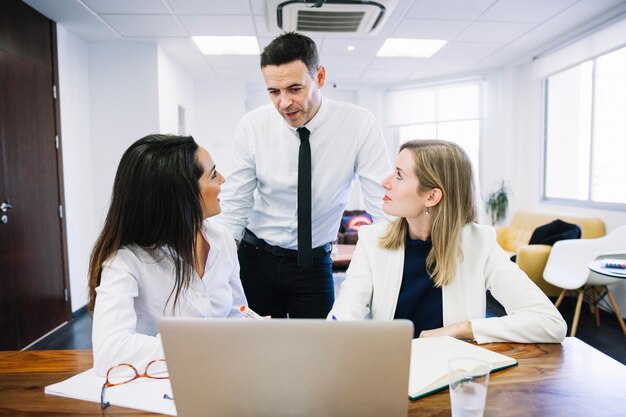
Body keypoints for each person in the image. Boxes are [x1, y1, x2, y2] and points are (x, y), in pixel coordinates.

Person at [215, 32, 391, 319]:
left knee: (317, 355)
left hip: (314, 263)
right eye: (274, 92)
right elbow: (234, 207)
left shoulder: (358, 124)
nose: (284, 103)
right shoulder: (252, 126)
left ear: (319, 77)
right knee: (255, 355)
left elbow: (384, 207)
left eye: (294, 88)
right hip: (256, 260)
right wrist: (213, 271)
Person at [329, 139, 567, 343]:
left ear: (432, 196)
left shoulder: (479, 243)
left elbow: (550, 322)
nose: (386, 182)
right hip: (390, 370)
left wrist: (463, 329)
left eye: (399, 175)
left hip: (453, 376)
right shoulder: (372, 240)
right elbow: (344, 316)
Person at [88, 134, 247, 375]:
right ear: (181, 195)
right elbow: (110, 352)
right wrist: (212, 345)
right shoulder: (125, 261)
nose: (222, 180)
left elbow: (238, 313)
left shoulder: (221, 240)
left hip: (223, 376)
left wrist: (254, 334)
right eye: (213, 175)